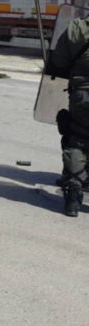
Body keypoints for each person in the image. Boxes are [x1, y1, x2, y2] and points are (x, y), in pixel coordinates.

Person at [51, 11, 89, 216]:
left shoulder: (76, 28)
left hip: (82, 95)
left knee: (78, 140)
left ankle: (73, 193)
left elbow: (59, 61)